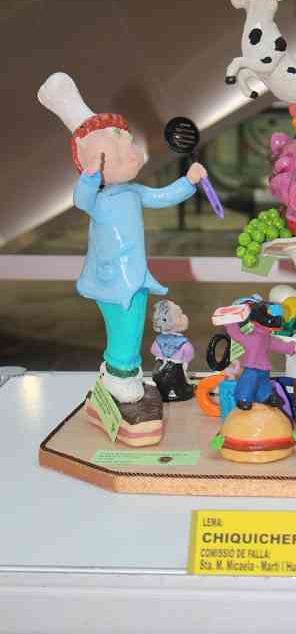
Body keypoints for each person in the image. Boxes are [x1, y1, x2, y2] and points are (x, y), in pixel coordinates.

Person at [38, 72, 206, 406]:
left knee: (132, 326)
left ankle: (121, 372)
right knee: (125, 327)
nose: (132, 152)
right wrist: (89, 178)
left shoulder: (133, 191)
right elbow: (81, 199)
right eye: (118, 147)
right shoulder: (96, 198)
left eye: (128, 143)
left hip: (136, 277)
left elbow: (162, 196)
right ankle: (120, 375)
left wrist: (188, 182)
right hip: (113, 280)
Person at [151, 300, 195, 402]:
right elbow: (189, 353)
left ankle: (164, 393)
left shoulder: (158, 340)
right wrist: (184, 359)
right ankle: (179, 393)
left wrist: (162, 356)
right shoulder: (182, 342)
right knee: (179, 379)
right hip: (176, 370)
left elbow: (153, 350)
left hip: (161, 369)